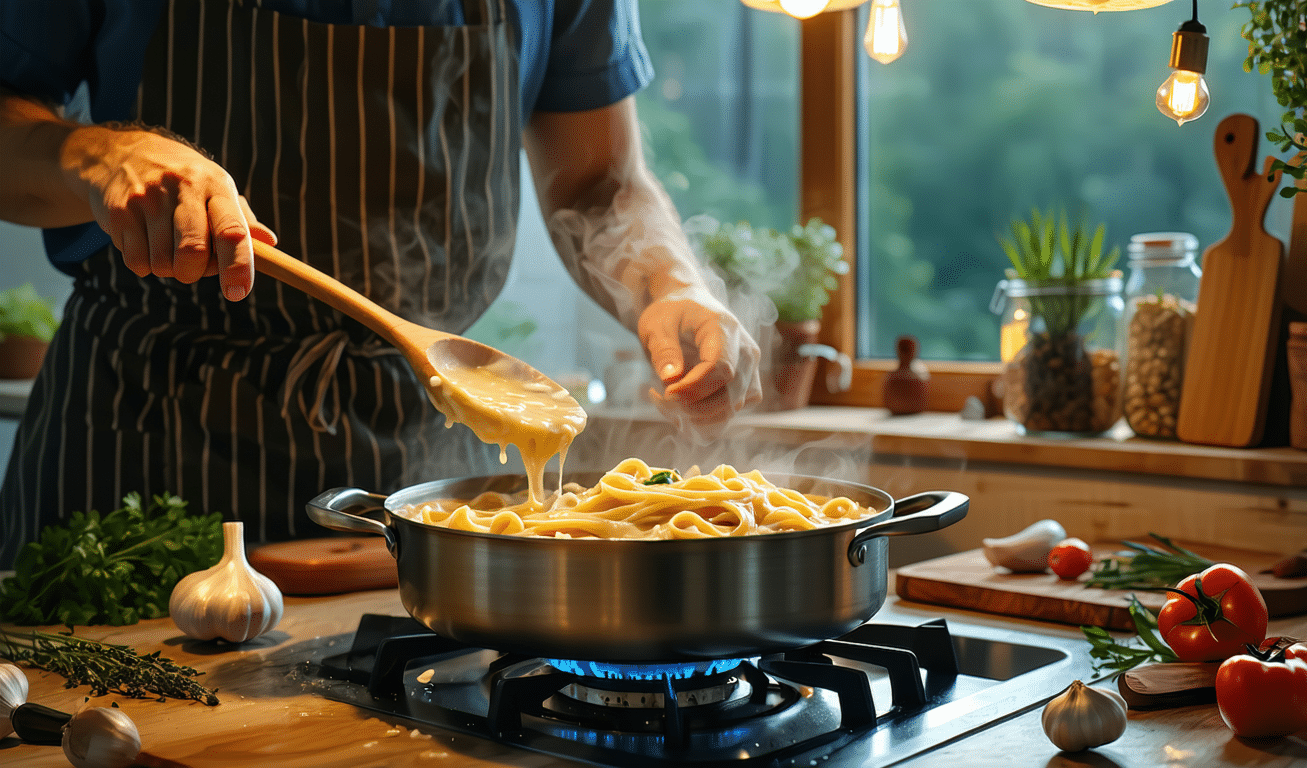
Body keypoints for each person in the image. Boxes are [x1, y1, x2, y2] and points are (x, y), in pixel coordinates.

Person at [0, 0, 762, 568]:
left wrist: (672, 285)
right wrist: (99, 155)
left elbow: (600, 180)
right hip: (139, 442)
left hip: (414, 466)